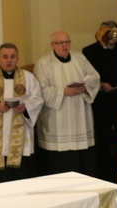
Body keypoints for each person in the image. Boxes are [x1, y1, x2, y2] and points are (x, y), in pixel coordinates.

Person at [0, 42, 43, 184]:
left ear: (17, 59)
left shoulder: (28, 78)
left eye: (12, 56)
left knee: (20, 179)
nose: (9, 60)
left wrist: (25, 107)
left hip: (20, 131)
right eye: (5, 56)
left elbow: (37, 99)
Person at [34, 30, 100, 176]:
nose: (65, 46)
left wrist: (85, 86)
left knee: (83, 160)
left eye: (67, 42)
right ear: (53, 45)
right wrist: (63, 92)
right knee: (61, 163)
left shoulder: (80, 58)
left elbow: (95, 77)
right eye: (60, 43)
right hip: (58, 120)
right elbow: (40, 91)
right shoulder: (43, 64)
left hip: (79, 116)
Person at [82, 21, 117, 182]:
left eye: (115, 34)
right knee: (103, 137)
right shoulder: (89, 52)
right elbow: (87, 77)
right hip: (101, 101)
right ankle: (104, 173)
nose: (112, 38)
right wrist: (100, 85)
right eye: (109, 33)